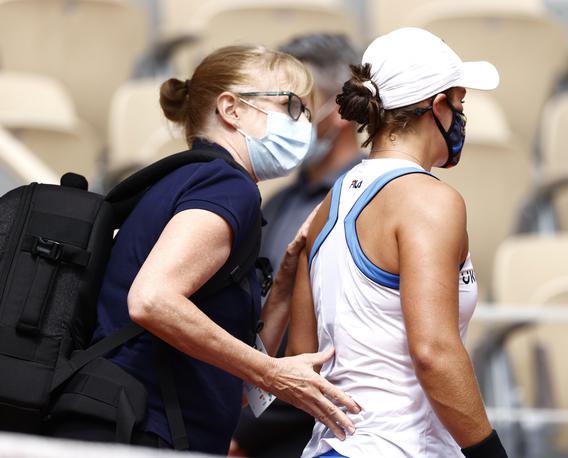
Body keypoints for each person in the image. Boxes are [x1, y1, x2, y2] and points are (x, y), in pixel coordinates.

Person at [46, 45, 360, 455]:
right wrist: (272, 373)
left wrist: (282, 282)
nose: (303, 124)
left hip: (123, 424)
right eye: (292, 107)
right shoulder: (226, 187)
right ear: (231, 109)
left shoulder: (188, 177)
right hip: (137, 430)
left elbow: (236, 372)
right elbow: (153, 300)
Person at [287, 28, 509, 458]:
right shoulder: (430, 199)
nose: (462, 117)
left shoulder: (331, 199)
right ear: (438, 105)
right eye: (460, 104)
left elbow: (302, 352)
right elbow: (433, 351)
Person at [232, 33, 364, 458]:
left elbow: (330, 347)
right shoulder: (277, 200)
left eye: (296, 105)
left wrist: (244, 437)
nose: (278, 120)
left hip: (322, 432)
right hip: (258, 414)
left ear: (341, 109)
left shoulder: (362, 201)